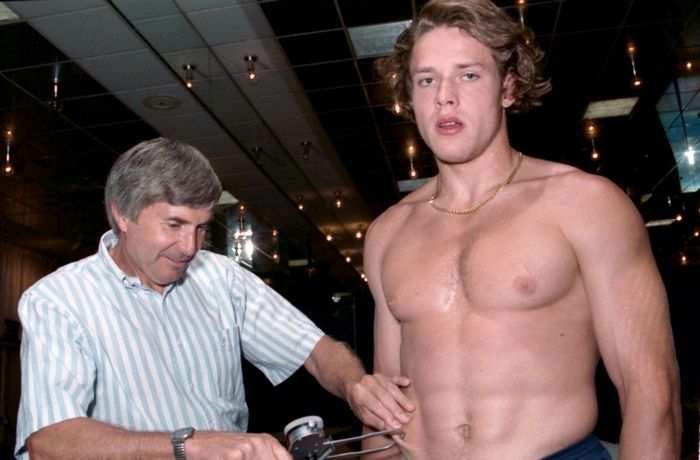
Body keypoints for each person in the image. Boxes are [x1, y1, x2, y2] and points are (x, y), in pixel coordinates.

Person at [363, 0, 681, 458]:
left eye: (468, 75)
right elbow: (385, 416)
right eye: (426, 80)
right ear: (409, 97)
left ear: (508, 88)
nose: (444, 96)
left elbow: (651, 391)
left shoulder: (584, 204)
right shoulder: (387, 233)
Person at [15, 138, 414, 460]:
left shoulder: (221, 278)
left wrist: (356, 384)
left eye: (201, 227)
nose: (189, 247)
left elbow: (317, 350)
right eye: (174, 224)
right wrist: (188, 445)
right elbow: (50, 441)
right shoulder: (58, 300)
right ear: (122, 214)